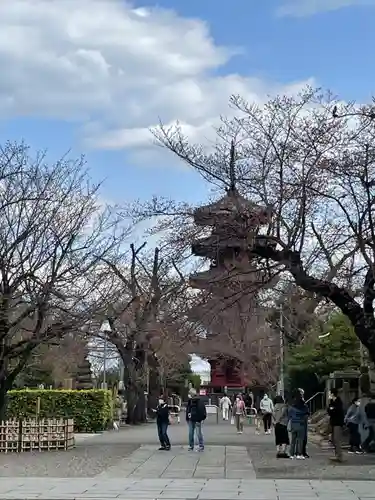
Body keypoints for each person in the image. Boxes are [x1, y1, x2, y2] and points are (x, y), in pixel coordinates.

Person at [288, 391, 309, 460]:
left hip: (294, 424)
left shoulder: (292, 406)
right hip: (301, 424)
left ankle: (291, 454)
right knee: (300, 440)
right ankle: (299, 454)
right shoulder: (304, 406)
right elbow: (307, 415)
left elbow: (289, 415)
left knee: (293, 440)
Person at [327, 388, 345, 462]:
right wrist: (331, 409)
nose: (328, 395)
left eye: (329, 393)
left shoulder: (338, 401)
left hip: (338, 423)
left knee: (337, 440)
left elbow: (336, 411)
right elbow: (329, 411)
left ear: (332, 394)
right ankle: (337, 455)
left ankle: (339, 456)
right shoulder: (331, 401)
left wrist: (332, 410)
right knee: (333, 440)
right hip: (333, 422)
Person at [298, 388, 309, 458]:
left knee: (304, 437)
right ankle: (301, 452)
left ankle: (303, 451)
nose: (302, 394)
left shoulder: (302, 400)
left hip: (304, 420)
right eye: (301, 393)